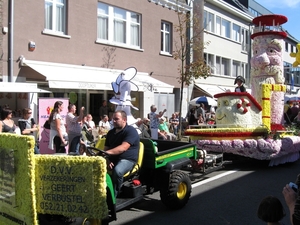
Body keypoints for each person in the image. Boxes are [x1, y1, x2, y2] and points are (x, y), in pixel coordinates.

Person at [104, 110, 140, 197]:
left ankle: (115, 194)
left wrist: (106, 153)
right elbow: (105, 149)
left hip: (127, 160)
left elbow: (123, 148)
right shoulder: (110, 133)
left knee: (118, 171)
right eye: (113, 119)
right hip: (112, 159)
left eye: (117, 119)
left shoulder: (131, 131)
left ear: (124, 119)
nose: (114, 121)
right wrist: (107, 159)